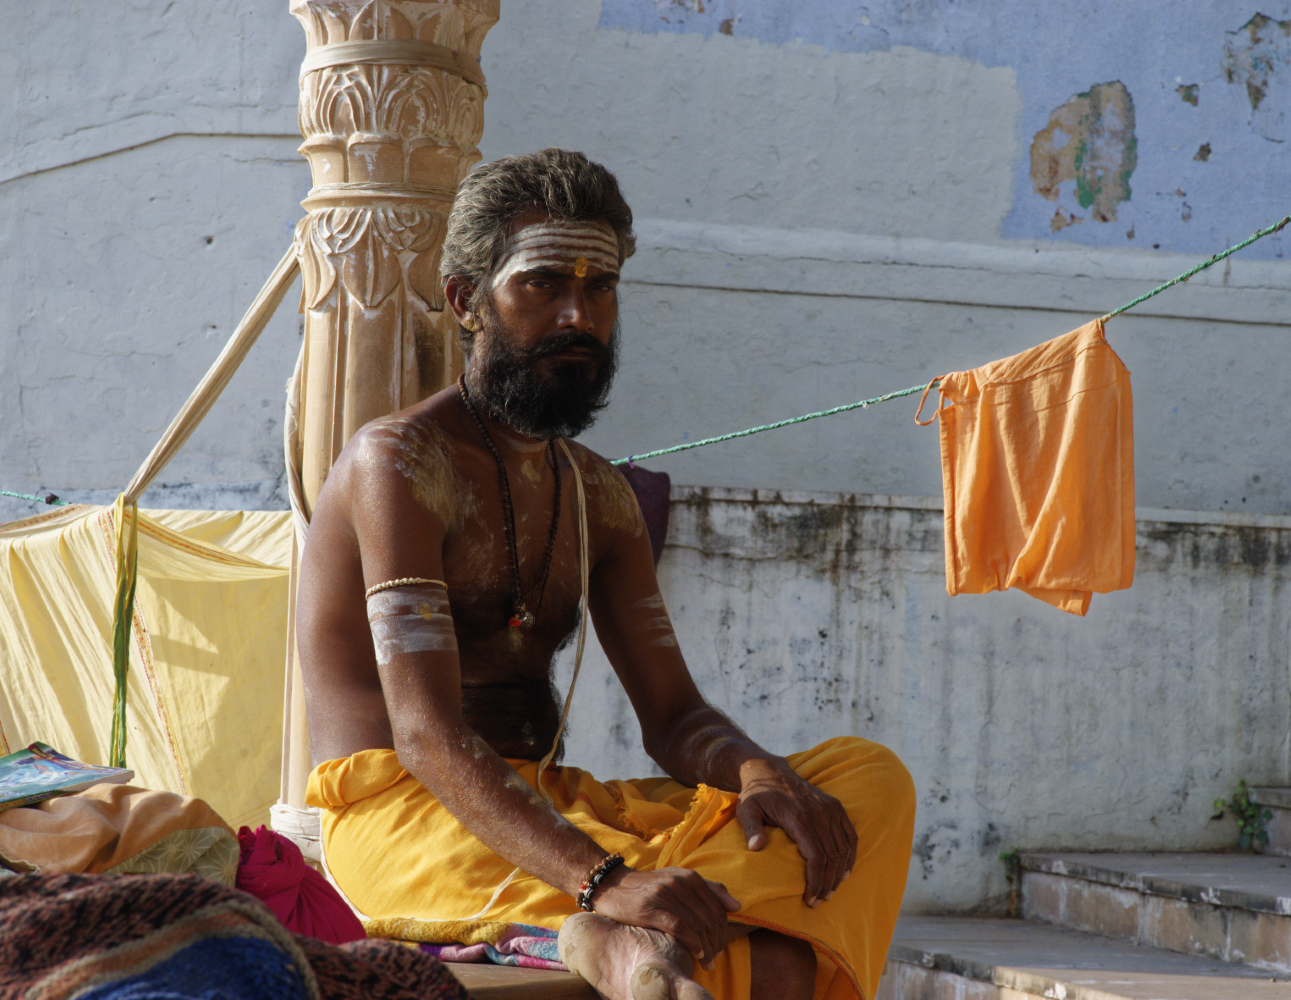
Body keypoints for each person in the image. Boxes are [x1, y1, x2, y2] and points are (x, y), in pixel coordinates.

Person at [297, 148, 915, 1000]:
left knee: (863, 781)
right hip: (407, 818)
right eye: (542, 284)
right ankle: (605, 925)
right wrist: (605, 878)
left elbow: (675, 714)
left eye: (601, 288)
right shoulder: (399, 462)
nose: (577, 315)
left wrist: (757, 771)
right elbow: (427, 736)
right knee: (772, 964)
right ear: (467, 300)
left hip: (552, 804)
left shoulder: (602, 497)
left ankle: (616, 939)